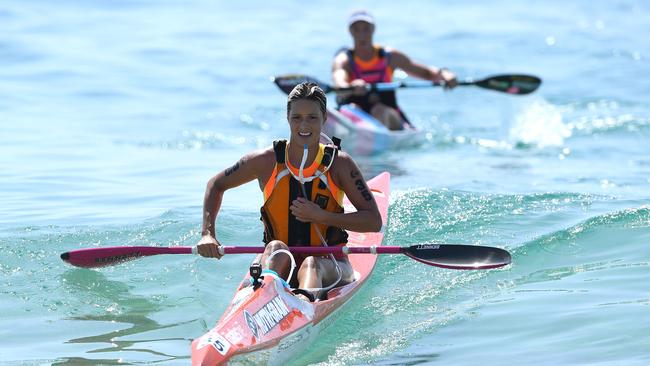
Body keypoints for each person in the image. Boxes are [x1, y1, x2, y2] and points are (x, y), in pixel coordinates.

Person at [196, 82, 382, 301]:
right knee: (275, 248)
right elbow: (215, 185)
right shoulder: (265, 161)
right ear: (288, 118)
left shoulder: (340, 164)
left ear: (324, 119)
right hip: (280, 259)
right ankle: (262, 302)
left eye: (312, 117)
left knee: (311, 264)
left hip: (330, 263)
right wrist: (208, 233)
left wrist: (322, 216)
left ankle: (302, 309)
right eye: (297, 117)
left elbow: (373, 221)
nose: (304, 124)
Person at [332, 9, 458, 131]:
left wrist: (445, 74)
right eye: (356, 29)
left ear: (373, 29)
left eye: (366, 29)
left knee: (379, 111)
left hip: (388, 115)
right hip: (356, 115)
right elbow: (339, 83)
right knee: (350, 109)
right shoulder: (344, 60)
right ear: (350, 31)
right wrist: (351, 86)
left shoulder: (390, 57)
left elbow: (427, 73)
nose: (362, 34)